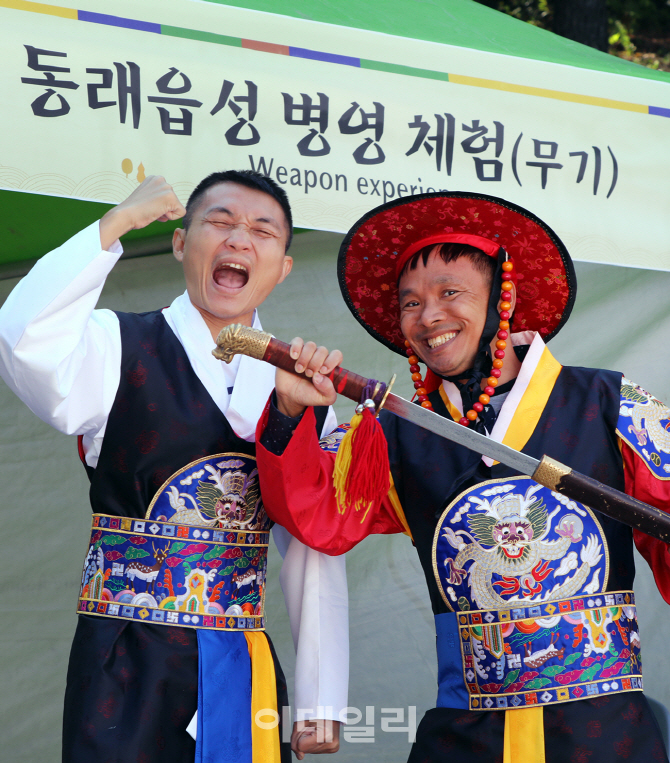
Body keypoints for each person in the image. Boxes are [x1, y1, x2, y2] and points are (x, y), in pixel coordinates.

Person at [254, 192, 670, 762]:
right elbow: (318, 515)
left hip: (606, 736)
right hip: (466, 738)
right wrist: (288, 415)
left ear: (506, 296)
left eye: (451, 293)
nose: (429, 317)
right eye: (410, 303)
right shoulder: (394, 434)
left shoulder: (610, 404)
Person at [0, 172, 347, 763]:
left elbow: (314, 542)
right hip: (125, 662)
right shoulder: (116, 344)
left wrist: (320, 700)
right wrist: (113, 228)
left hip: (244, 660)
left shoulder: (299, 386)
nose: (240, 238)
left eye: (263, 230)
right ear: (181, 243)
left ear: (283, 266)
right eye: (220, 221)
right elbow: (25, 341)